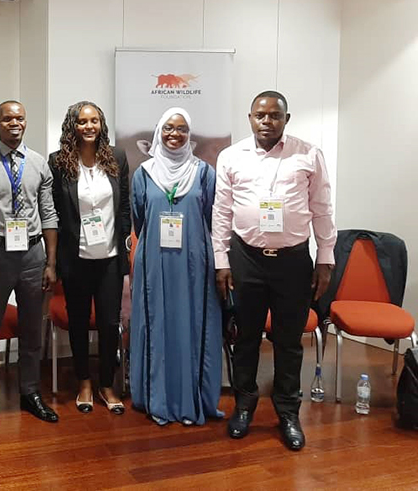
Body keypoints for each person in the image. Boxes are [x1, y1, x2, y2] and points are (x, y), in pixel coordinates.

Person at [213, 91, 335, 451]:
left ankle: (287, 412)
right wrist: (222, 261)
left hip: (294, 262)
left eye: (274, 116)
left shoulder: (309, 154)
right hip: (246, 258)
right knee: (246, 338)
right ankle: (244, 406)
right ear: (249, 118)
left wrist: (325, 257)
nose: (267, 122)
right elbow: (222, 212)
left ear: (287, 118)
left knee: (288, 341)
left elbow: (322, 208)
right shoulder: (230, 156)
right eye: (260, 116)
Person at [0, 100, 59, 431]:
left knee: (32, 329)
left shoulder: (38, 164)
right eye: (7, 119)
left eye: (20, 118)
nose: (14, 123)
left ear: (26, 122)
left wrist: (51, 261)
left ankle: (30, 392)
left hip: (33, 254)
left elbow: (49, 214)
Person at [129, 107, 224, 426]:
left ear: (190, 134)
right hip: (154, 263)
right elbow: (139, 219)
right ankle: (154, 396)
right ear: (159, 132)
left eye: (182, 129)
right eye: (168, 128)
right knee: (157, 324)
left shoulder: (204, 173)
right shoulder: (143, 173)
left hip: (194, 263)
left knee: (190, 324)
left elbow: (214, 219)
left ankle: (190, 397)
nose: (175, 134)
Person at [49, 101, 131, 415]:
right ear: (73, 125)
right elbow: (54, 212)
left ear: (101, 124)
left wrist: (123, 245)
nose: (89, 126)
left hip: (109, 257)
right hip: (76, 258)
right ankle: (84, 381)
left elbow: (124, 207)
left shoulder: (117, 157)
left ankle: (106, 384)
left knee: (110, 323)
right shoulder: (59, 162)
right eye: (82, 121)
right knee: (79, 322)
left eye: (94, 120)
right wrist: (54, 260)